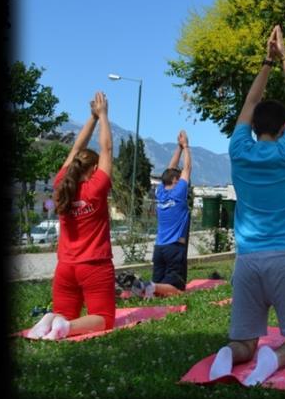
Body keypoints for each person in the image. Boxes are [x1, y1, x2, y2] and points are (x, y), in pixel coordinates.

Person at [208, 25, 285, 386]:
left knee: (243, 342)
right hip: (284, 258)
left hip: (247, 262)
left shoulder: (239, 150)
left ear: (252, 127)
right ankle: (277, 357)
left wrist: (266, 62)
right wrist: (284, 58)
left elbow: (250, 103)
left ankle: (228, 355)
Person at [27, 92, 115, 340]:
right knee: (104, 317)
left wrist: (92, 118)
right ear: (94, 169)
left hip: (65, 266)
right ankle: (64, 327)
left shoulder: (60, 185)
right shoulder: (95, 188)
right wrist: (104, 115)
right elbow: (107, 147)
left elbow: (76, 147)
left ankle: (53, 319)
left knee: (64, 311)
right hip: (94, 265)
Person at [132, 130, 192, 298]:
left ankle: (146, 287)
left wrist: (178, 149)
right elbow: (187, 168)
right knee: (178, 289)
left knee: (159, 288)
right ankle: (146, 285)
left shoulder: (160, 192)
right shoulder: (179, 193)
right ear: (175, 181)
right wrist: (186, 146)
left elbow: (168, 171)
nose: (181, 179)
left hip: (159, 248)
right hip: (174, 248)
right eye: (178, 178)